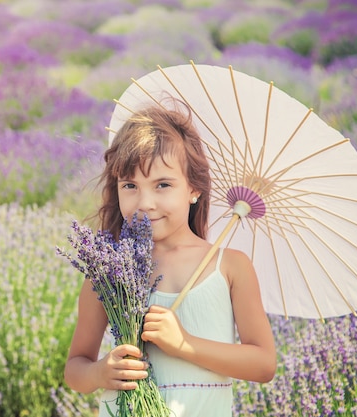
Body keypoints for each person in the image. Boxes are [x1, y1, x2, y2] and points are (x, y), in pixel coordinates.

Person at [63, 103, 276, 417]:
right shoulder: (109, 271)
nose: (146, 202)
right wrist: (100, 373)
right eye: (130, 186)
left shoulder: (229, 266)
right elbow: (75, 368)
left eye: (163, 185)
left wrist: (184, 343)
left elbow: (263, 364)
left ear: (193, 189)